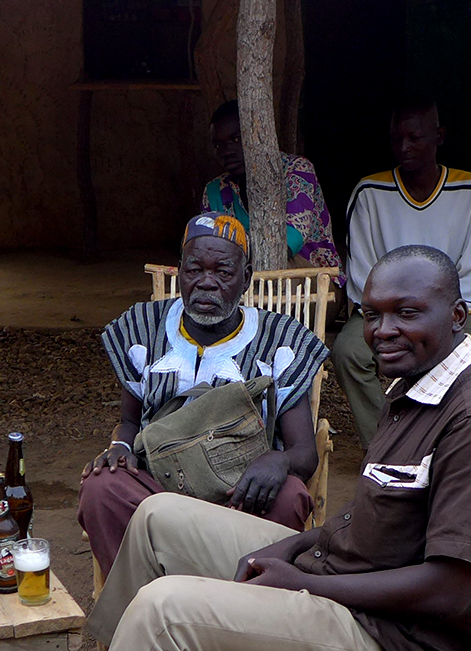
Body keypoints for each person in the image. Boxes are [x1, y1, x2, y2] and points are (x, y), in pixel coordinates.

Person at [58, 245, 471, 651]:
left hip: (396, 645)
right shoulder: (419, 382)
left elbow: (449, 589)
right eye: (372, 314)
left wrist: (302, 583)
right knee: (158, 516)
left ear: (457, 316)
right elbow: (382, 516)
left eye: (407, 312)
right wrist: (296, 545)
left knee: (166, 611)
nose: (383, 330)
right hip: (346, 581)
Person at [79, 212, 327, 577]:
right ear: (180, 272)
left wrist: (280, 461)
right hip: (156, 487)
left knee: (288, 495)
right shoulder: (143, 330)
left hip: (239, 493)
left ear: (245, 278)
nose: (206, 284)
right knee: (102, 488)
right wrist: (120, 449)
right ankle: (140, 609)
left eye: (223, 273)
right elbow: (130, 421)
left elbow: (305, 451)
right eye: (194, 271)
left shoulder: (280, 342)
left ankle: (240, 612)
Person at [333, 96, 471, 447]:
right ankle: (387, 441)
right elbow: (363, 272)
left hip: (451, 310)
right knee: (349, 351)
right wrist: (400, 315)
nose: (404, 147)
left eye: (415, 138)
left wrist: (430, 316)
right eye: (397, 139)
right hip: (385, 311)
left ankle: (451, 437)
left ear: (439, 136)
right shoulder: (369, 192)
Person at [200, 99, 341, 276]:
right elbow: (206, 246)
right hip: (241, 275)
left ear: (256, 135)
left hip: (313, 276)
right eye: (218, 145)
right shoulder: (215, 190)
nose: (226, 151)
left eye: (236, 139)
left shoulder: (296, 171)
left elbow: (291, 240)